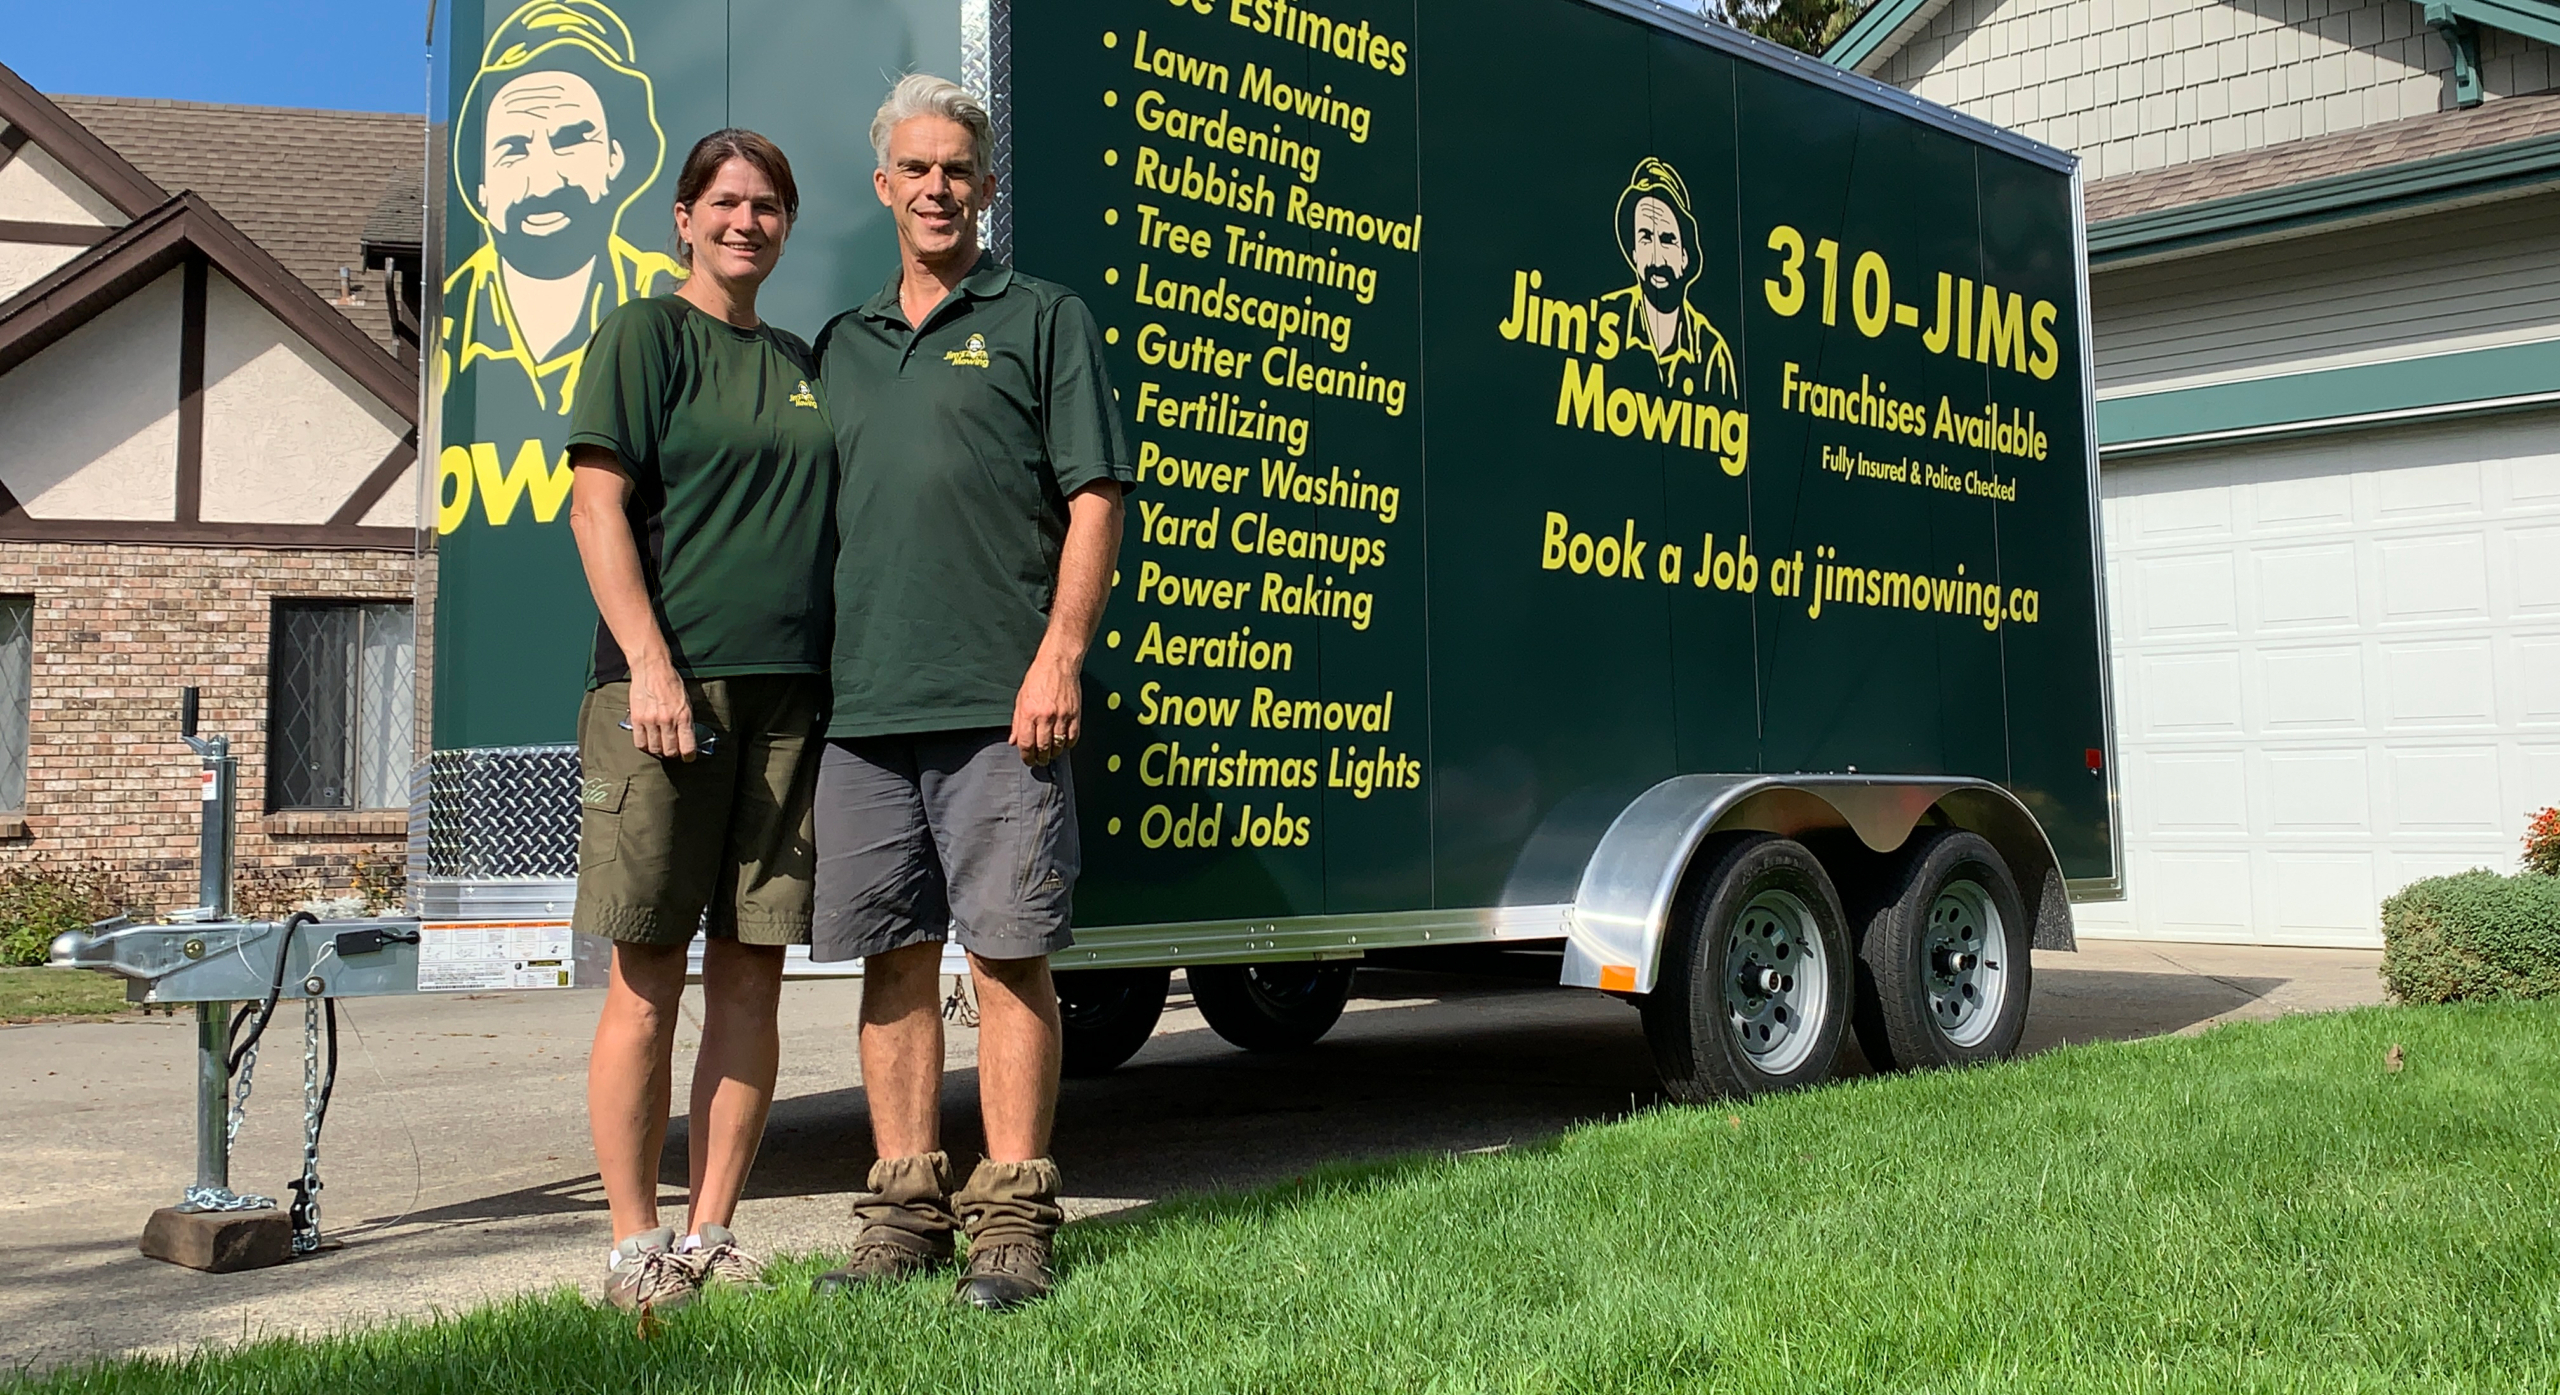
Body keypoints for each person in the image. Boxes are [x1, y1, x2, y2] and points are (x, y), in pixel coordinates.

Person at [806, 73, 1130, 1312]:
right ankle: (900, 1216)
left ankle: (1011, 1224)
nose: (938, 189)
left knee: (1007, 960)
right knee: (891, 966)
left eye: (960, 170)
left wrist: (1056, 656)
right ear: (883, 186)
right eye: (917, 170)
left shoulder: (1044, 319)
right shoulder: (839, 348)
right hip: (864, 714)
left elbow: (1095, 498)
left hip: (1004, 707)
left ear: (984, 189)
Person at [564, 128, 837, 1313]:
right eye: (725, 202)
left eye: (767, 204)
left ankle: (714, 1228)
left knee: (750, 975)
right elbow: (594, 509)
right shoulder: (644, 335)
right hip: (663, 699)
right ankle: (635, 1247)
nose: (746, 221)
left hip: (788, 701)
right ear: (684, 218)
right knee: (645, 979)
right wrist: (652, 667)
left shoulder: (799, 358)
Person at [443, 0, 686, 421]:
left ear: (616, 159)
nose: (544, 181)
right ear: (480, 183)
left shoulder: (672, 304)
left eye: (570, 140)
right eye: (513, 148)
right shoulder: (447, 322)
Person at [1597, 156, 1737, 397]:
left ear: (1685, 256)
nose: (1657, 259)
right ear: (1634, 253)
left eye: (1667, 239)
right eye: (1645, 238)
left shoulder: (1711, 353)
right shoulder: (1602, 321)